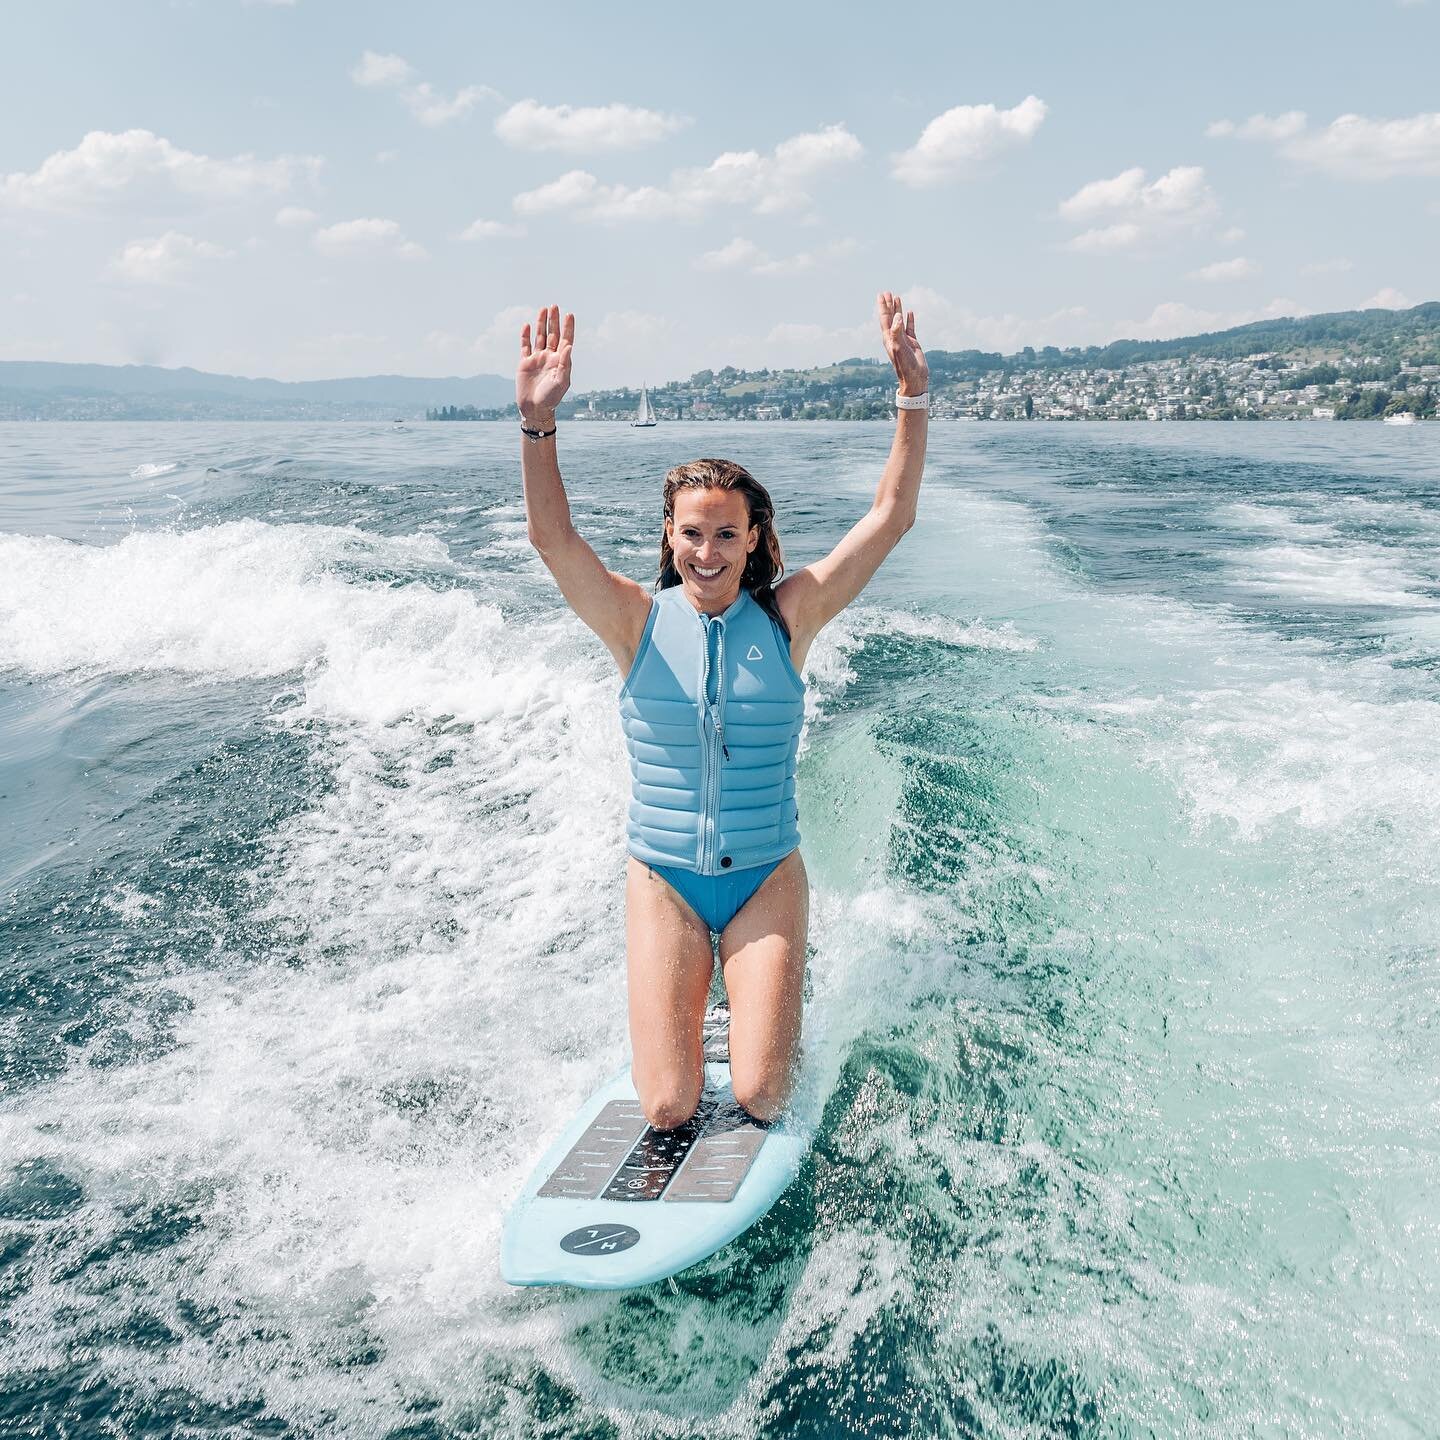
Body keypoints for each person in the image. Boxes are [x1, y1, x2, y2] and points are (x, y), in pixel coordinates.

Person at [517, 293, 929, 1130]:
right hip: (663, 879)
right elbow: (553, 540)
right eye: (692, 535)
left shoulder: (788, 619)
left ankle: (753, 1012)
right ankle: (701, 1005)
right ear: (670, 537)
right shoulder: (632, 620)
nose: (708, 554)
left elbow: (890, 518)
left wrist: (910, 398)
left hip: (763, 877)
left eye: (726, 535)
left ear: (753, 540)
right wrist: (537, 424)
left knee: (760, 1096)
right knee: (669, 1107)